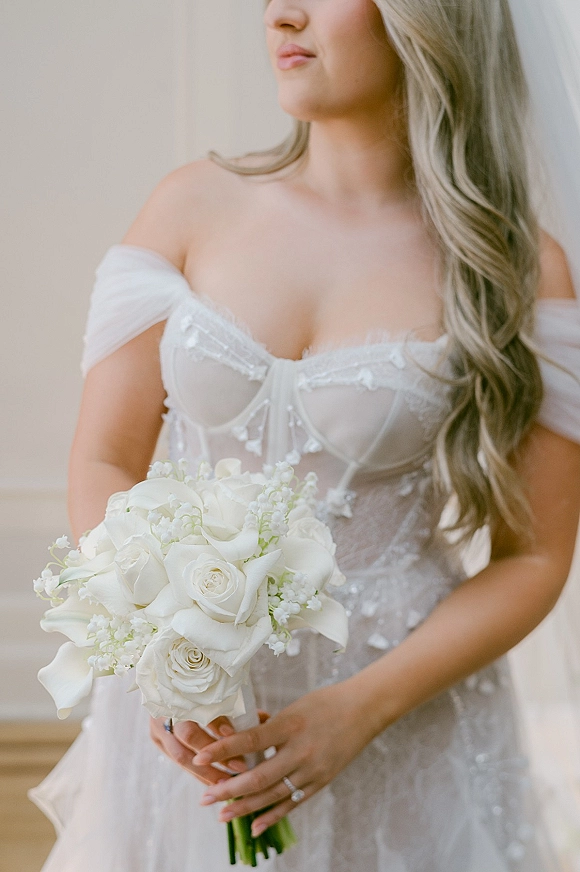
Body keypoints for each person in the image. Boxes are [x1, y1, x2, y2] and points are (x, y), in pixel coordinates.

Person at [30, 0, 580, 869]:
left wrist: (356, 712)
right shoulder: (192, 206)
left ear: (426, 20)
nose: (280, 13)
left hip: (401, 721)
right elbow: (105, 456)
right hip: (187, 733)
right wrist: (160, 655)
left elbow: (536, 558)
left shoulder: (513, 267)